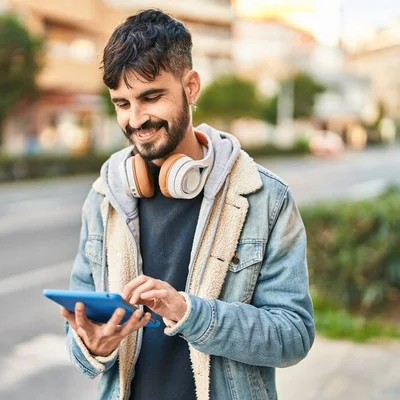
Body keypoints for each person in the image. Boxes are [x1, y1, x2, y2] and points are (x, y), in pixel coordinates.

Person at [59, 9, 315, 400]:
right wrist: (94, 345)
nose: (136, 119)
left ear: (191, 87)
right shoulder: (104, 198)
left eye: (151, 97)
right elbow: (80, 341)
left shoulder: (266, 198)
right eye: (122, 104)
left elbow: (293, 335)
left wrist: (188, 312)